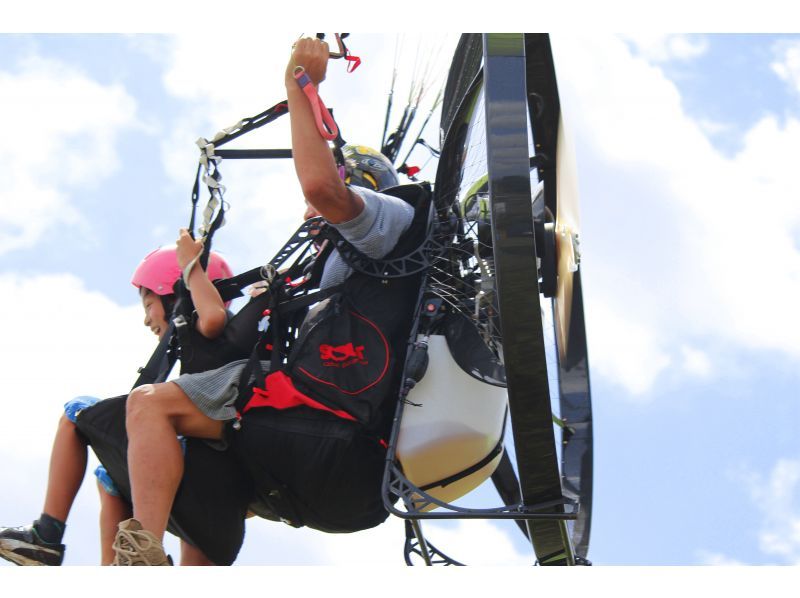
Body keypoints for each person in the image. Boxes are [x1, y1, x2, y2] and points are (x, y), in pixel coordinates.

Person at [109, 37, 423, 565]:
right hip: (319, 466)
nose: (308, 214)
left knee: (147, 407)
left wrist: (299, 87)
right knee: (194, 469)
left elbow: (324, 187)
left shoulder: (384, 221)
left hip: (325, 433)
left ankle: (140, 553)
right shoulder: (337, 269)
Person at [0, 231, 233, 566]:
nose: (146, 318)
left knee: (76, 411)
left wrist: (191, 266)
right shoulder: (212, 350)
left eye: (149, 304)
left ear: (175, 296)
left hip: (198, 476)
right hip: (216, 498)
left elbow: (212, 318)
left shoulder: (212, 326)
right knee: (109, 478)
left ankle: (46, 535)